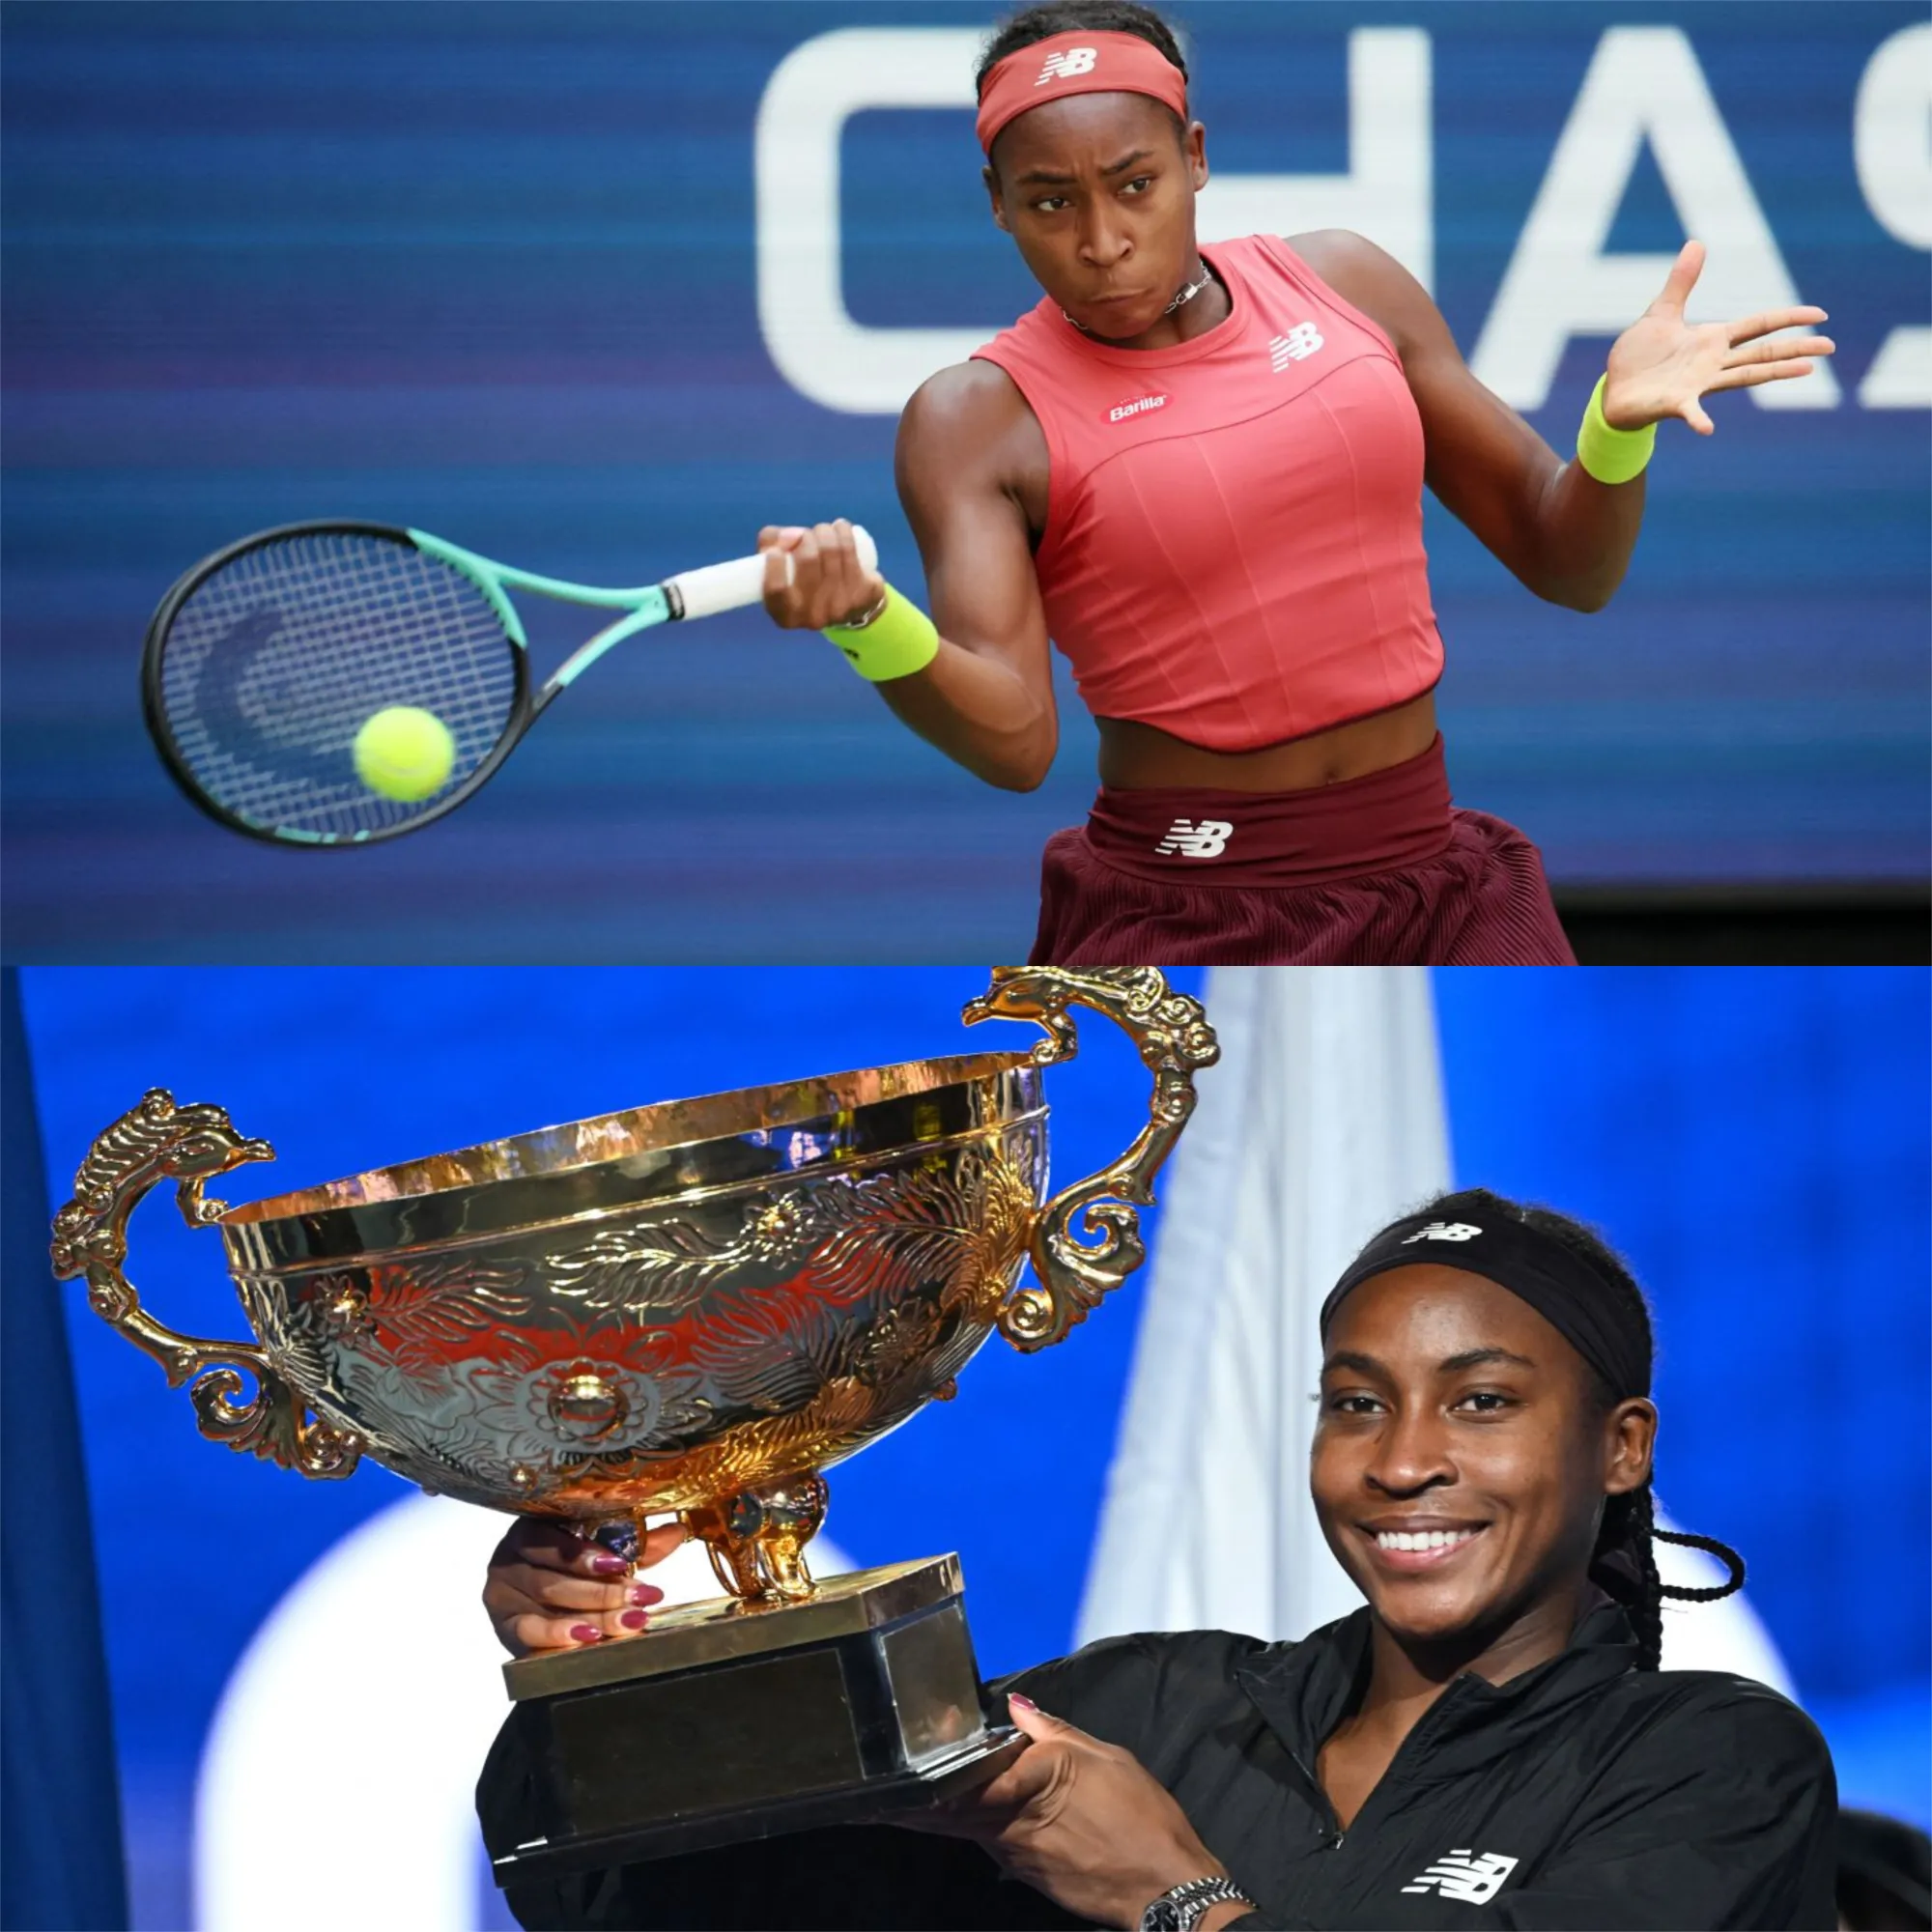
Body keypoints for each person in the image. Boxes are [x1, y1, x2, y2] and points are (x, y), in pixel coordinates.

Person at [750, 0, 1834, 967]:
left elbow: (1568, 562)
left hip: (1438, 884)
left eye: (1135, 183)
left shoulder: (1345, 281)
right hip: (1182, 908)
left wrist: (1610, 429)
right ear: (995, 204)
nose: (1103, 240)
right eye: (1049, 204)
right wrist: (865, 620)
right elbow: (1018, 739)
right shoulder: (972, 417)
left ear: (1195, 156)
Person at [476, 1188, 1839, 1930]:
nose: (1401, 1458)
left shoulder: (1712, 1767)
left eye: (1482, 1401)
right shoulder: (1143, 1711)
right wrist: (598, 1685)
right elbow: (654, 1904)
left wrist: (1172, 1901)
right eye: (1356, 1401)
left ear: (1620, 1449)